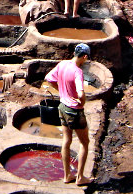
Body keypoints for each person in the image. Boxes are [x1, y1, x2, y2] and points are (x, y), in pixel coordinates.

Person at [45, 43, 92, 185]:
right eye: (86, 58)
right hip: (74, 111)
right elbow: (81, 93)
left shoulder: (63, 64)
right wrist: (81, 102)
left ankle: (67, 176)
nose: (86, 61)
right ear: (84, 56)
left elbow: (49, 78)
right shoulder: (78, 72)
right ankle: (80, 177)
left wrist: (61, 91)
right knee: (85, 143)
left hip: (62, 107)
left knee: (66, 141)